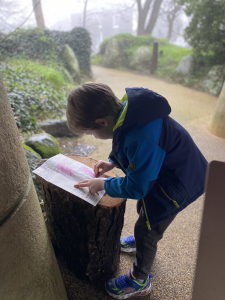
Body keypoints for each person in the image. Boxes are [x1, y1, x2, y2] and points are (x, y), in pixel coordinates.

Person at [66, 82, 207, 299]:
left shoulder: (141, 137)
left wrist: (104, 184)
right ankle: (142, 240)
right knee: (146, 210)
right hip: (170, 170)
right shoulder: (127, 112)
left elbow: (138, 187)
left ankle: (139, 280)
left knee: (148, 230)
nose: (92, 136)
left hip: (179, 183)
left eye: (90, 132)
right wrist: (112, 162)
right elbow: (125, 143)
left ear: (101, 122)